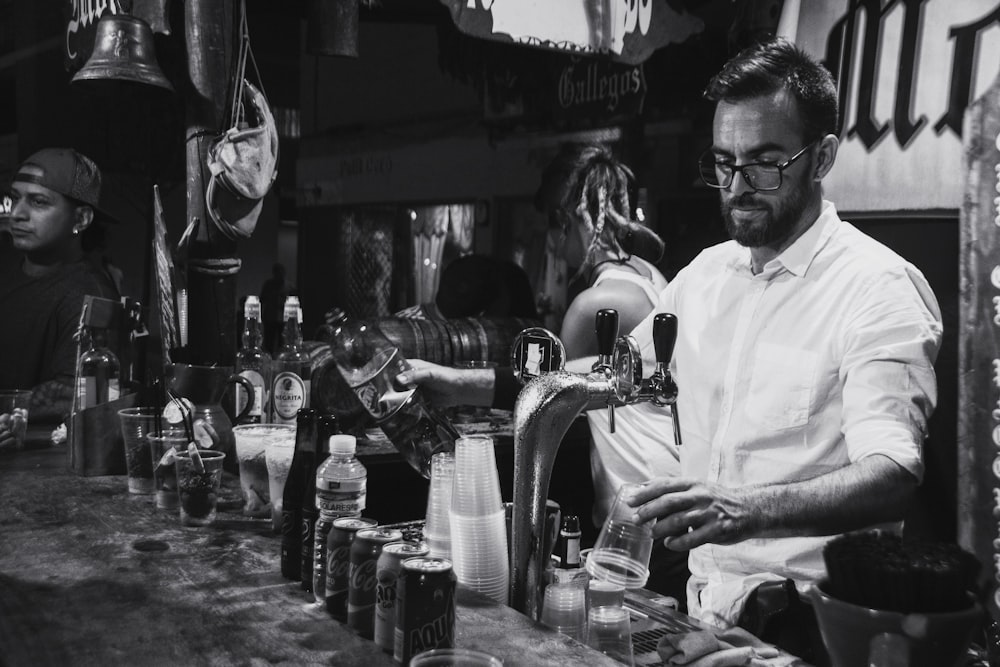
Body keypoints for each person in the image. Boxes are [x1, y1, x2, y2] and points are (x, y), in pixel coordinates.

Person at [619, 38, 941, 660]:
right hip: (705, 612)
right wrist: (477, 383)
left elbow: (894, 473)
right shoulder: (706, 277)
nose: (738, 186)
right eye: (723, 162)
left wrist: (745, 509)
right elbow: (620, 374)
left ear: (821, 158)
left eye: (765, 163)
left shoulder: (877, 287)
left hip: (814, 627)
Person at [0, 148, 121, 447]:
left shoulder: (90, 292)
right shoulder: (7, 272)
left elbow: (74, 391)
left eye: (38, 202)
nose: (17, 213)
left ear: (80, 218)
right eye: (14, 198)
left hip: (39, 464)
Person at [260, 262, 291, 355]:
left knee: (283, 342)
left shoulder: (289, 286)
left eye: (281, 272)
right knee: (269, 341)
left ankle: (280, 358)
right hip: (270, 317)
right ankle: (269, 358)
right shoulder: (268, 285)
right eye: (277, 272)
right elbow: (262, 299)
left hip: (283, 318)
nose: (279, 274)